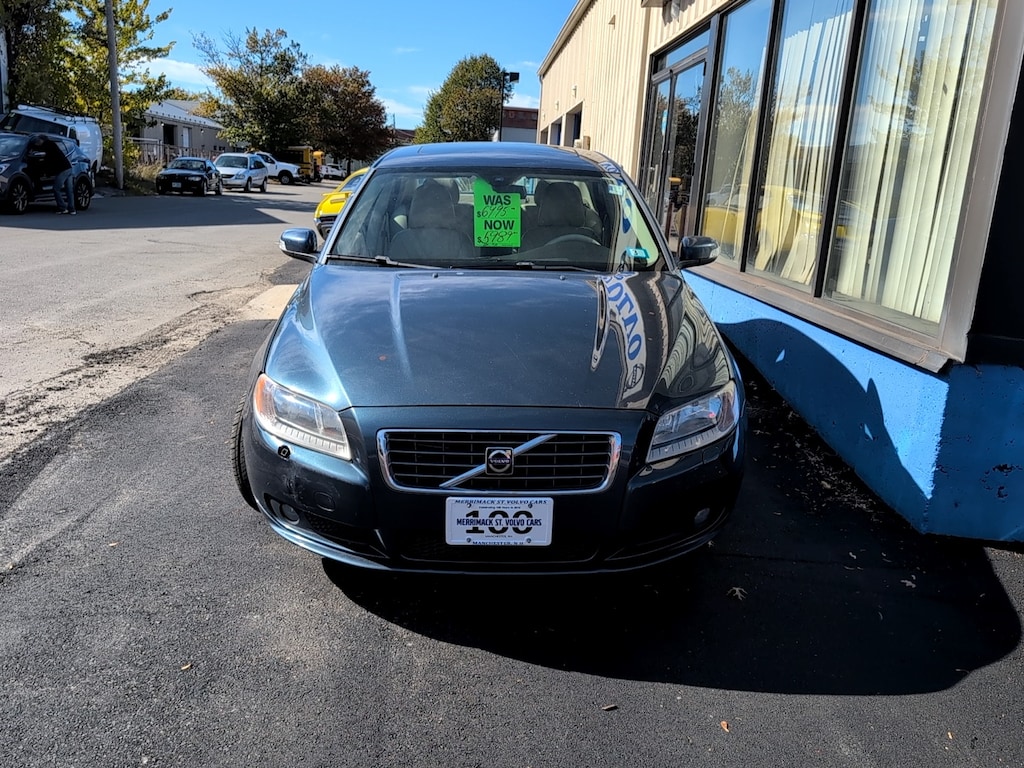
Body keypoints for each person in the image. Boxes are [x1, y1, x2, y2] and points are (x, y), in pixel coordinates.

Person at [43, 137, 76, 215]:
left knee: (56, 188)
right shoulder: (55, 147)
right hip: (68, 168)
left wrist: (47, 173)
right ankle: (72, 208)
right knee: (69, 190)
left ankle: (62, 207)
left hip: (62, 170)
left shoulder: (49, 149)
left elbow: (49, 162)